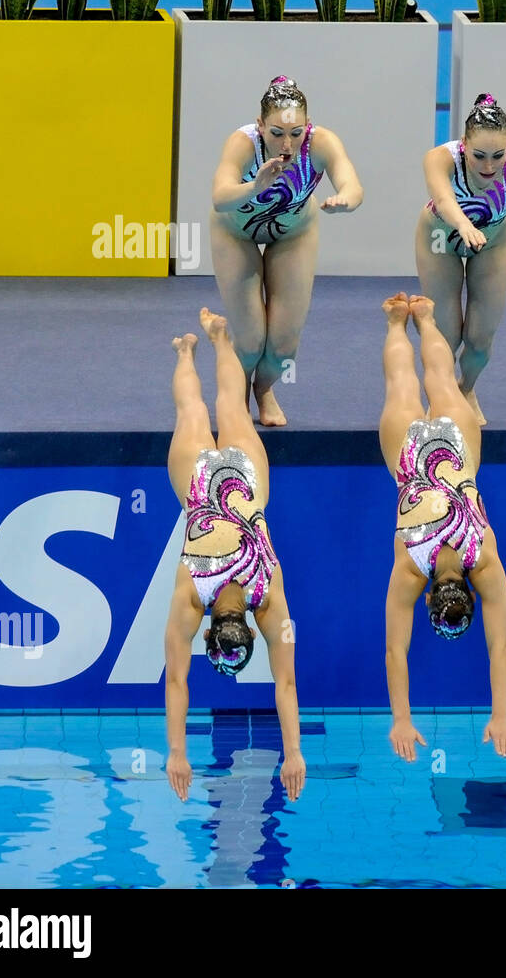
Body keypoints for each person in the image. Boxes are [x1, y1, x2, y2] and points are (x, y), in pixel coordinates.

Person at [164, 308, 306, 801]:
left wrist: (295, 753)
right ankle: (186, 351)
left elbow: (285, 685)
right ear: (209, 630)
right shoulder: (192, 595)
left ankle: (220, 339)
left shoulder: (268, 598)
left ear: (249, 627)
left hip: (246, 476)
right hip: (199, 479)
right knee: (193, 413)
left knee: (232, 409)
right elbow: (177, 681)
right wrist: (177, 752)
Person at [378, 292, 506, 761]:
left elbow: (501, 649)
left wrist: (502, 714)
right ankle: (399, 323)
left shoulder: (486, 561)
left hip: (457, 448)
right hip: (408, 457)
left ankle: (426, 317)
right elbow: (395, 652)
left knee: (439, 381)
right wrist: (401, 718)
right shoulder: (411, 570)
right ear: (428, 599)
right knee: (403, 385)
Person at [209, 75, 364, 426]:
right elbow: (219, 199)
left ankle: (263, 389)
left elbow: (352, 182)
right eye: (276, 133)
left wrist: (346, 200)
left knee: (281, 350)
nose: (287, 144)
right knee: (249, 341)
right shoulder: (242, 143)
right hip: (236, 231)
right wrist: (254, 185)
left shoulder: (321, 143)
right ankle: (235, 397)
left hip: (293, 232)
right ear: (260, 124)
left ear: (307, 127)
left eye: (296, 134)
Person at [417, 93, 506, 425]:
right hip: (442, 238)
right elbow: (442, 197)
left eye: (498, 156)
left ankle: (465, 389)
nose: (489, 167)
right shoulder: (440, 159)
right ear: (464, 144)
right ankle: (441, 396)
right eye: (479, 156)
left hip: (494, 240)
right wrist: (464, 225)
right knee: (446, 334)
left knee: (479, 341)